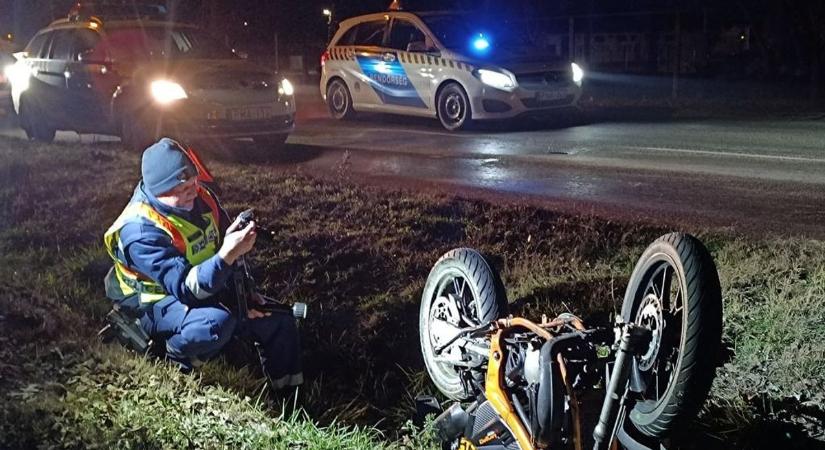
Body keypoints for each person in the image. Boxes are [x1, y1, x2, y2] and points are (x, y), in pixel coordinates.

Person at [103, 138, 302, 391]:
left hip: (204, 282)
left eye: (193, 183)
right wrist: (225, 258)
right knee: (215, 324)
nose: (193, 192)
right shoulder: (140, 231)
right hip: (152, 304)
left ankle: (290, 402)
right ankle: (175, 356)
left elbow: (226, 245)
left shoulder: (202, 198)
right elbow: (187, 288)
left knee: (279, 321)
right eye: (182, 189)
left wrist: (245, 293)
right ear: (158, 192)